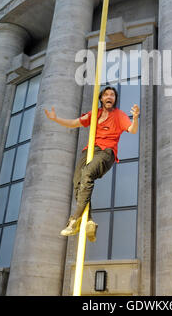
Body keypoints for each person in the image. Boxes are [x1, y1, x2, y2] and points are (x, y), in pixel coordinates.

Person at [45, 86, 140, 241]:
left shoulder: (119, 115)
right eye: (106, 94)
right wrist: (56, 119)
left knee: (87, 173)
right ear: (101, 98)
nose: (109, 97)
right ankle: (88, 220)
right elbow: (74, 123)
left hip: (106, 152)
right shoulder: (94, 114)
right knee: (77, 181)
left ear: (114, 99)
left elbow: (132, 129)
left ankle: (74, 219)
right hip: (89, 150)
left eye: (112, 95)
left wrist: (135, 118)